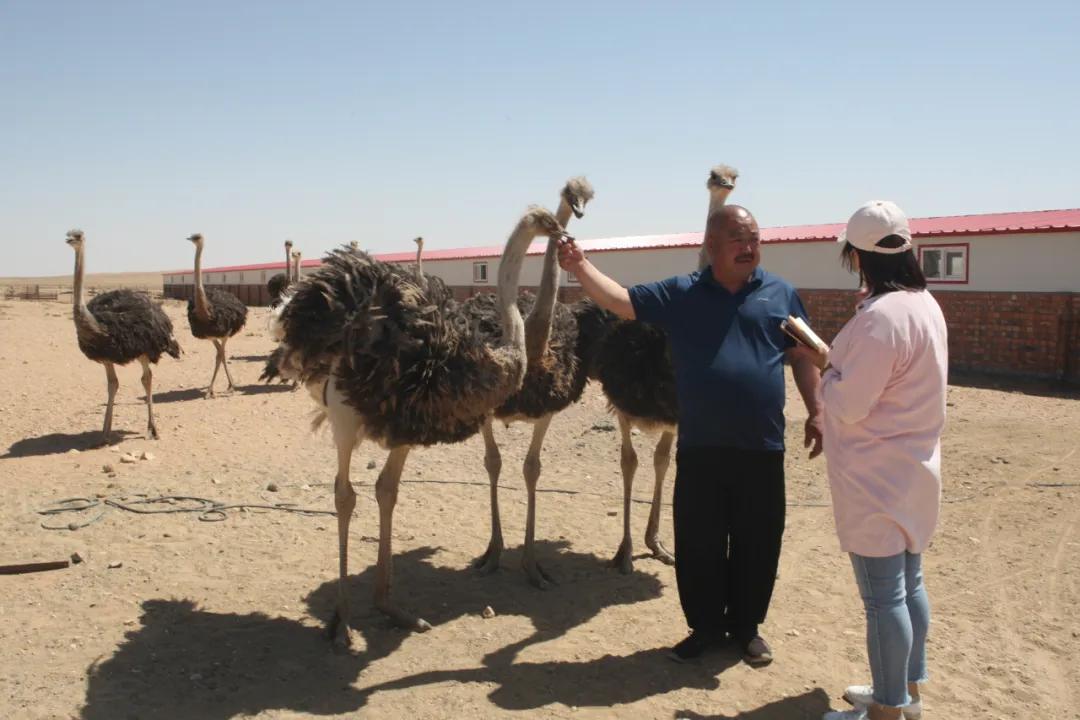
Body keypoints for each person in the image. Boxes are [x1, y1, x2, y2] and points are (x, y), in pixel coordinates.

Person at [557, 204, 823, 666]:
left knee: (757, 542)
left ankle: (746, 629)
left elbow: (803, 355)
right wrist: (580, 265)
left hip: (762, 446)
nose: (749, 247)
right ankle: (703, 629)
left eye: (755, 239)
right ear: (711, 247)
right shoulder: (683, 293)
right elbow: (620, 300)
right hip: (701, 446)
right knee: (699, 543)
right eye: (739, 239)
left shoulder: (782, 294)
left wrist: (817, 409)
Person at [795, 201, 947, 720]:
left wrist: (827, 367)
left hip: (875, 477)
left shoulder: (881, 318)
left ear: (857, 257)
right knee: (911, 585)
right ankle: (907, 692)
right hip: (915, 468)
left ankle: (886, 710)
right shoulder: (924, 304)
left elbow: (849, 404)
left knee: (885, 599)